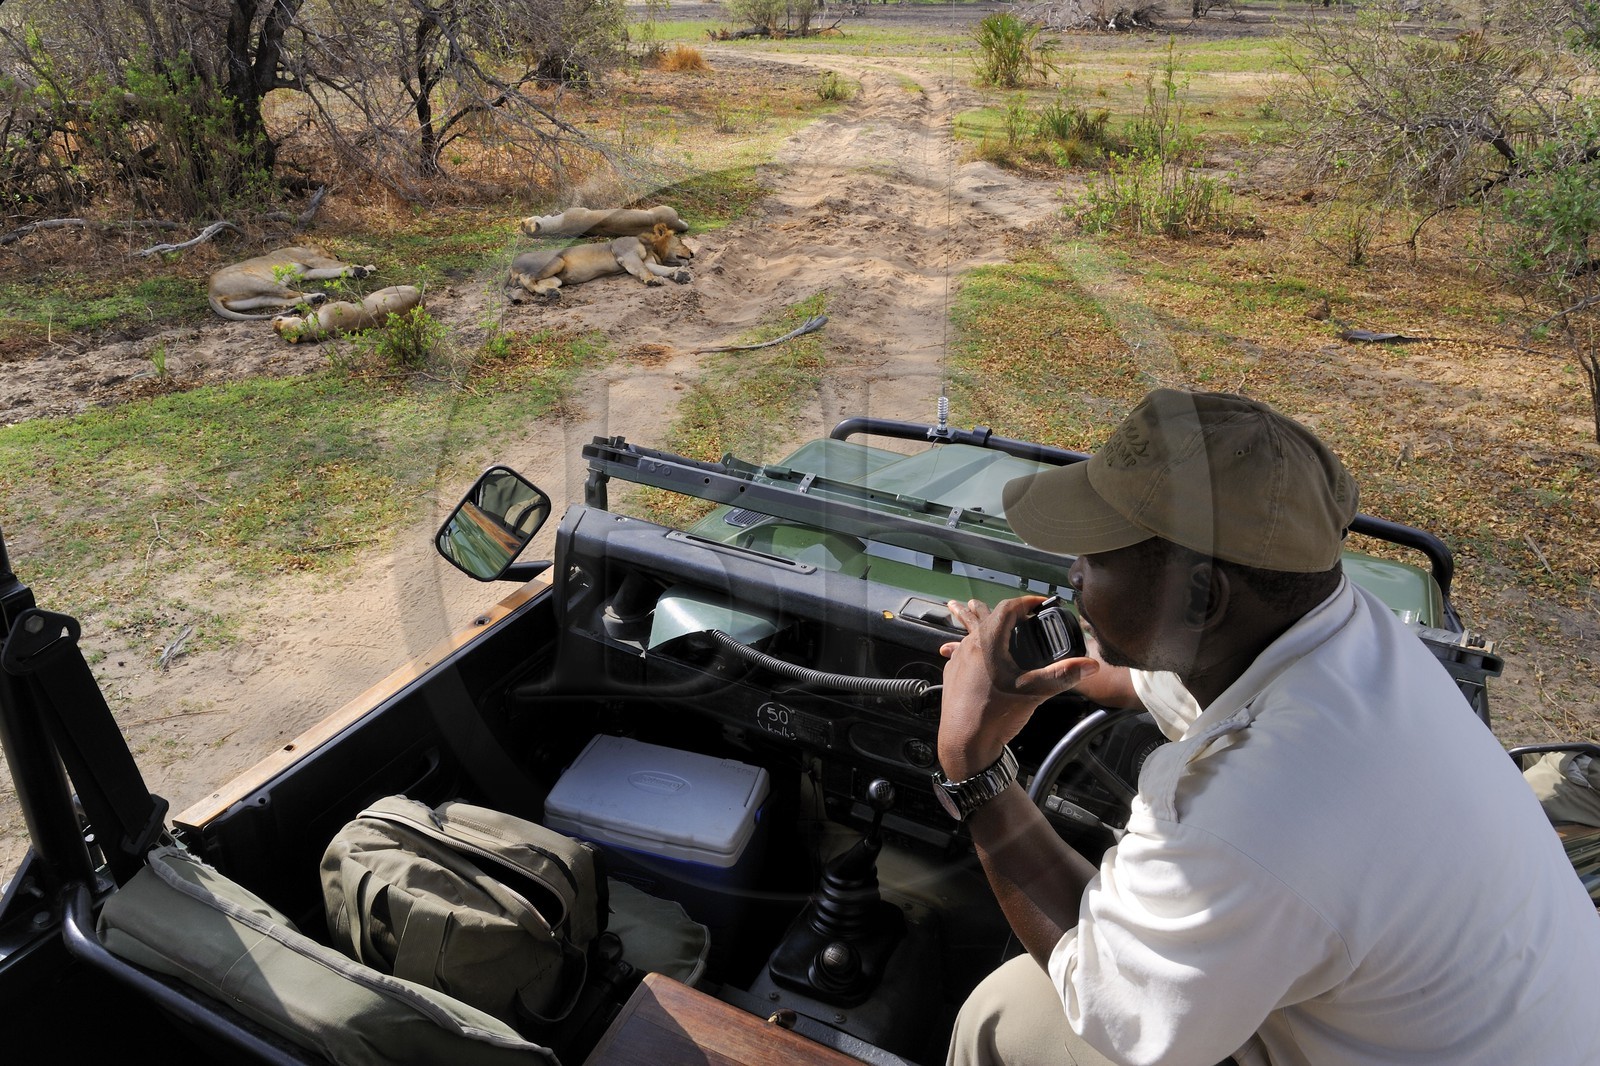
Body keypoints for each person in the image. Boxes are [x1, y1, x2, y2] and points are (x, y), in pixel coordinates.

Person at [934, 388, 1600, 1066]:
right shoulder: (1344, 630)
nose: (1073, 572)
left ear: (1203, 596)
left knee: (1012, 1012)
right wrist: (1084, 672)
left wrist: (975, 763)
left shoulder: (1254, 809)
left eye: (1097, 557)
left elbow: (1117, 1009)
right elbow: (1201, 672)